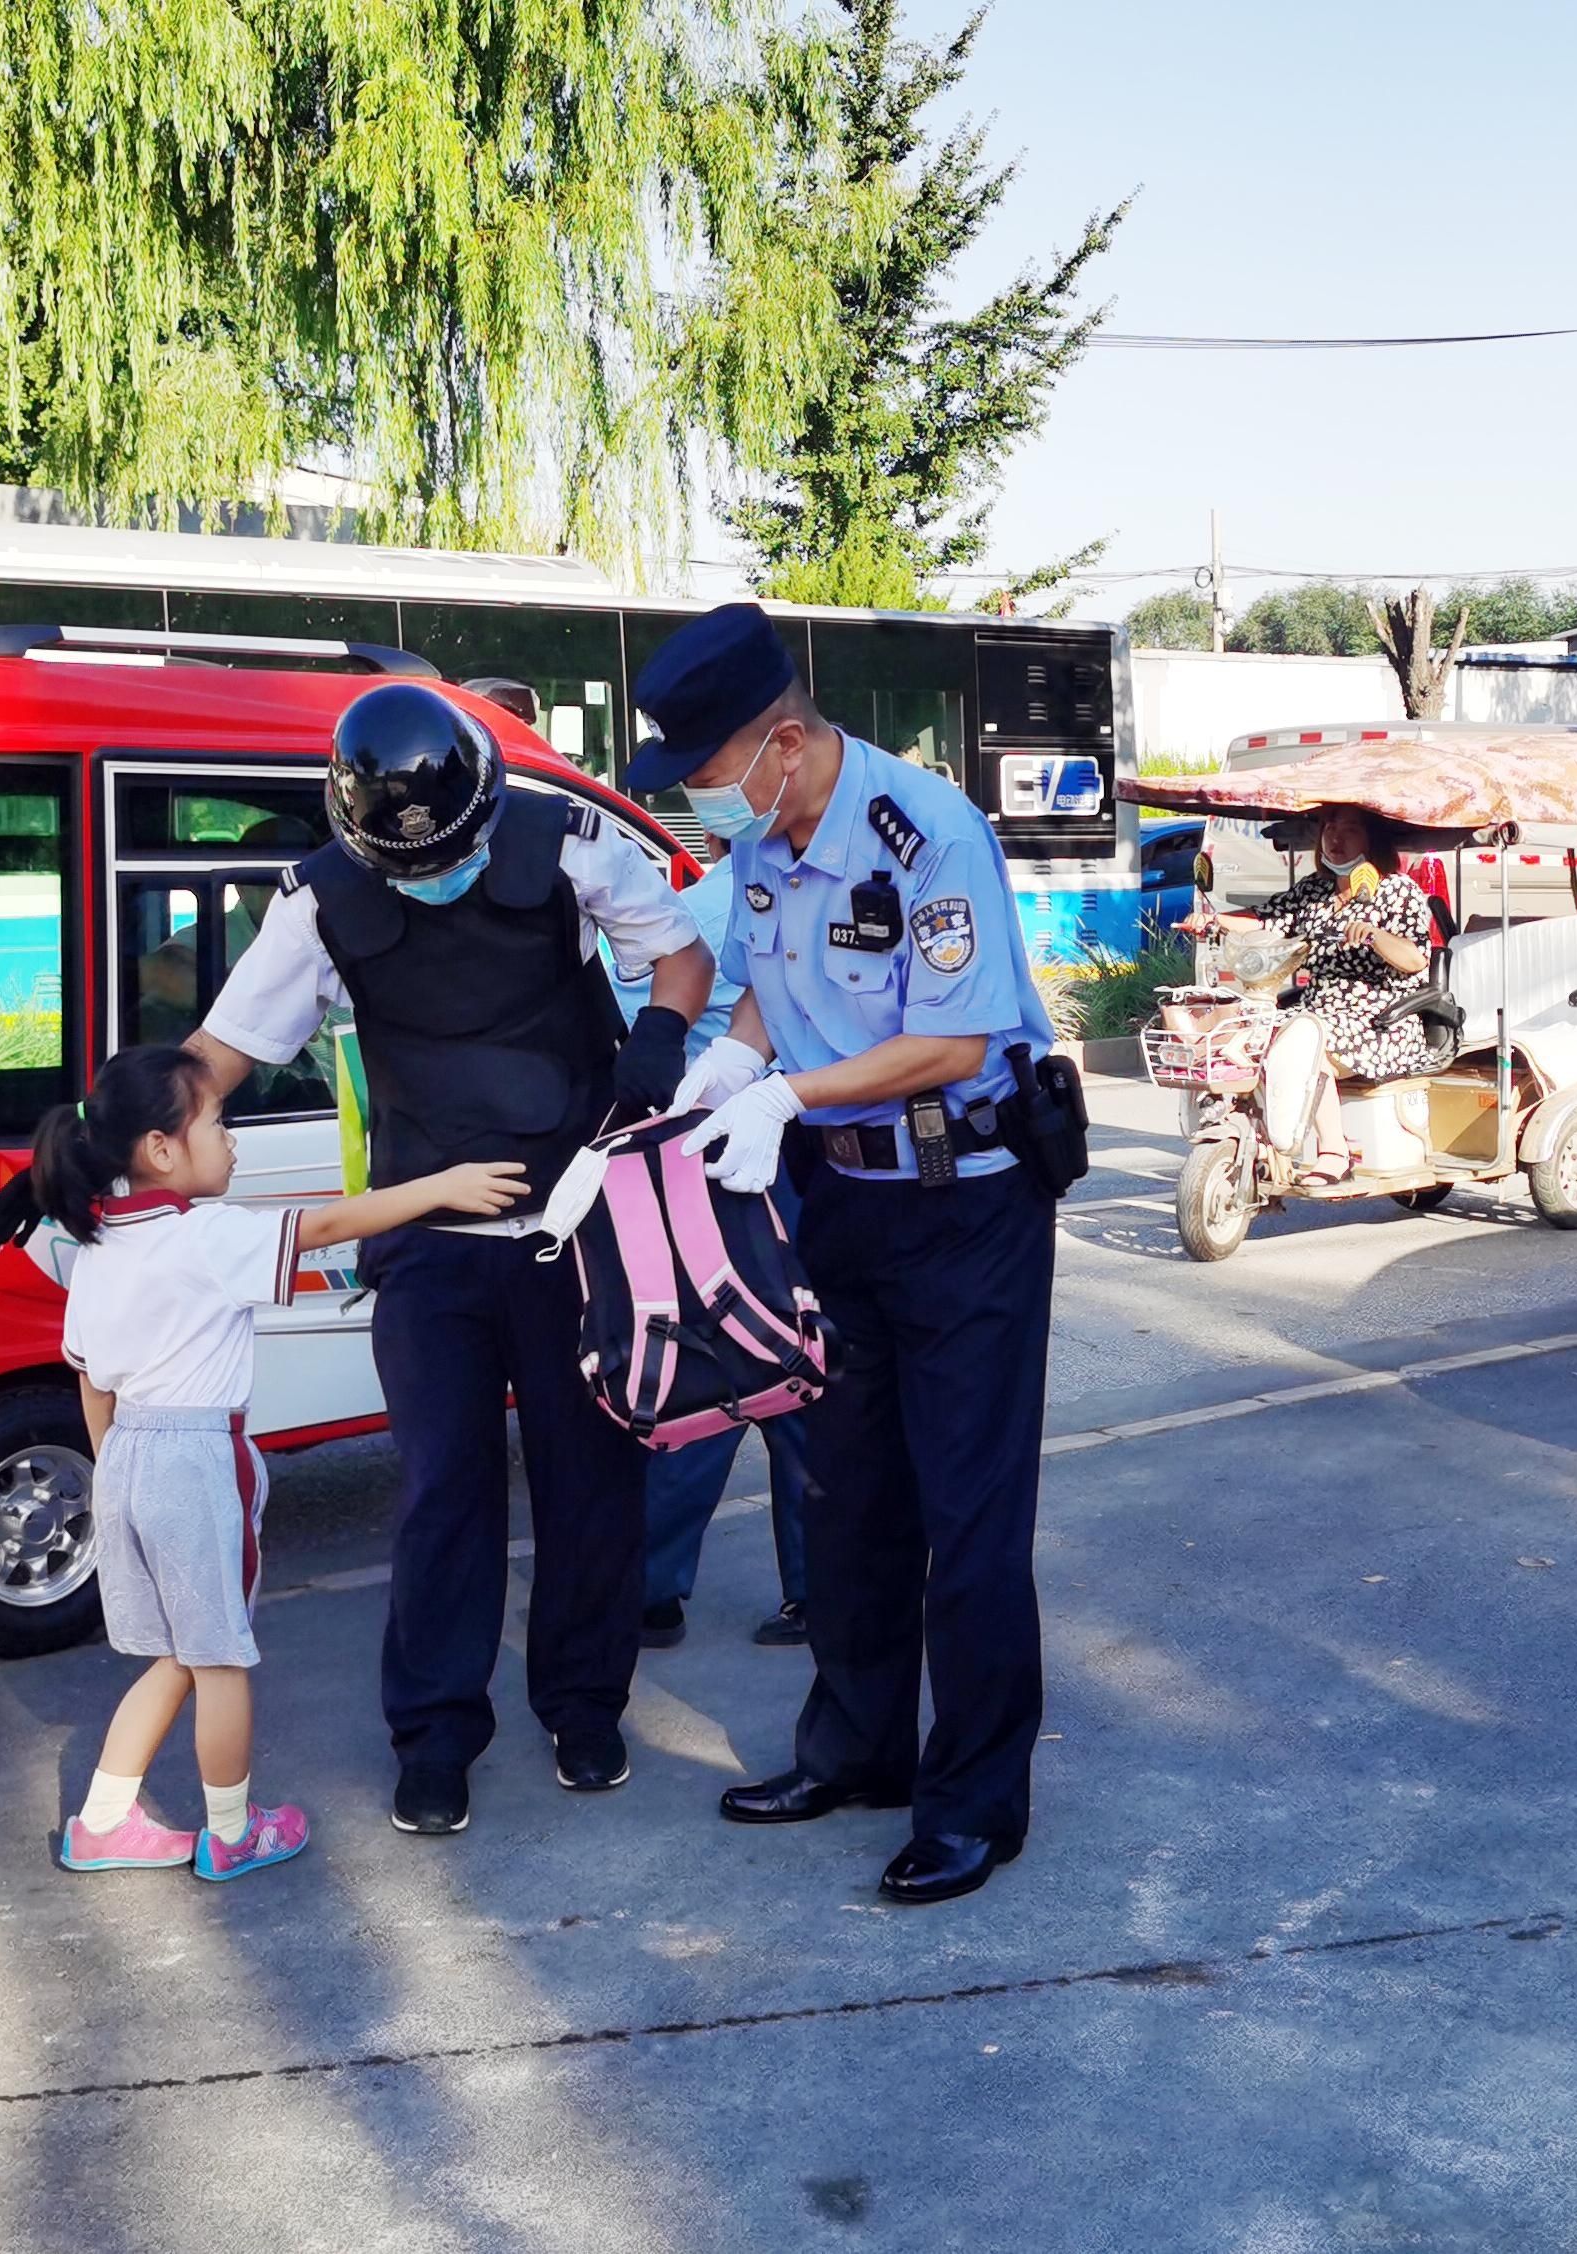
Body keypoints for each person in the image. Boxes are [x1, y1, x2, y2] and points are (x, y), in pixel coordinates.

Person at [186, 681, 712, 1836]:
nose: (433, 880)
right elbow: (217, 1053)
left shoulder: (562, 844)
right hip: (423, 1234)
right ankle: (432, 1734)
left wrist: (664, 1035)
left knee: (590, 1486)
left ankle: (584, 1706)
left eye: (450, 856)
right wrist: (98, 1144)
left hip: (575, 1225)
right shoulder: (318, 902)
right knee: (441, 1492)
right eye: (405, 869)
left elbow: (678, 955)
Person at [636, 603, 1061, 1908]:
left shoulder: (925, 830)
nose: (703, 803)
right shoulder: (766, 843)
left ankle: (975, 1799)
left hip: (964, 1202)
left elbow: (951, 1038)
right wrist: (733, 1059)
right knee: (850, 1500)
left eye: (704, 774)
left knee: (967, 1516)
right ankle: (857, 1751)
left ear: (779, 740)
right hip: (843, 1205)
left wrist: (785, 1099)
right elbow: (772, 978)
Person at [2, 1044, 529, 1880]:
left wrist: (112, 1480)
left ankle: (104, 1818)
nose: (232, 1137)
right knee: (219, 1658)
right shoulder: (205, 1234)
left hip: (126, 1460)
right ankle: (232, 1828)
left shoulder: (97, 1246)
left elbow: (90, 1383)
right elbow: (323, 1227)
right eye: (216, 1121)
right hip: (193, 1457)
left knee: (173, 1654)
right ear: (161, 1149)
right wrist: (438, 1189)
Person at [606, 854, 815, 1648]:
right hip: (773, 1153)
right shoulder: (765, 898)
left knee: (707, 1367)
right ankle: (812, 1588)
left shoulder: (684, 906)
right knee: (787, 1368)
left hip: (692, 1155)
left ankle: (653, 1586)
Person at [1186, 805, 1436, 1179]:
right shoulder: (1314, 890)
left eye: (1349, 830)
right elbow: (1266, 918)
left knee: (1306, 1044)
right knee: (1243, 1034)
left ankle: (1336, 1151)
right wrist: (1213, 919)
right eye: (1329, 828)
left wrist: (1374, 933)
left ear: (1372, 840)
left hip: (1381, 1021)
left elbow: (1416, 957)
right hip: (1315, 1011)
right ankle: (1257, 1136)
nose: (1335, 838)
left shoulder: (1398, 891)